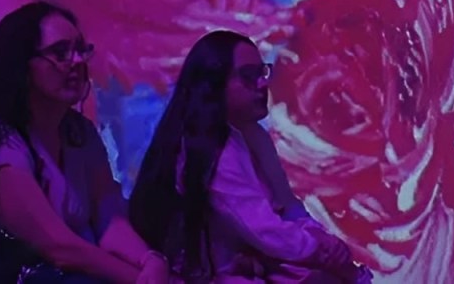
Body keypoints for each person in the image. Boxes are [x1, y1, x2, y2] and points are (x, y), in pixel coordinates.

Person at [0, 2, 170, 284]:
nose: (77, 61)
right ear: (22, 65)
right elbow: (57, 246)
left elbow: (109, 219)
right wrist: (139, 280)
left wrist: (151, 261)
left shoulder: (80, 133)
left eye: (80, 50)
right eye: (60, 53)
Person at [129, 30, 368, 283]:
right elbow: (265, 231)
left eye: (261, 73)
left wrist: (322, 243)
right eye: (248, 76)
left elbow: (286, 207)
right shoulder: (211, 150)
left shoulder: (253, 134)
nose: (263, 84)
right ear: (214, 85)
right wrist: (322, 250)